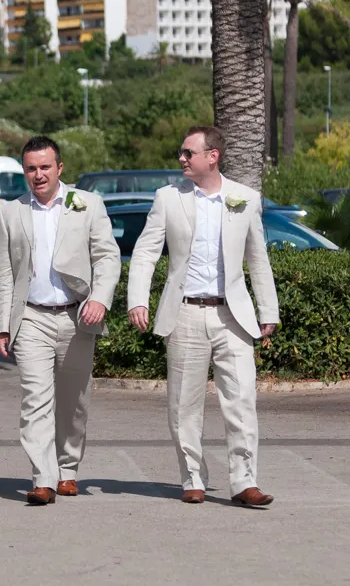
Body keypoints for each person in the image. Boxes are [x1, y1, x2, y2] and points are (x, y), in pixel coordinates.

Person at [127, 126, 279, 506]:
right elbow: (145, 252)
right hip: (185, 313)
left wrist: (268, 309)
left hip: (234, 317)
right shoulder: (167, 198)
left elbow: (257, 259)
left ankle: (245, 482)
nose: (181, 158)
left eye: (188, 153)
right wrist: (137, 299)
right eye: (181, 153)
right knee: (183, 404)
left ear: (212, 156)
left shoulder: (245, 198)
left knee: (242, 400)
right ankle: (192, 478)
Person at [0, 136, 120, 505]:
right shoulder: (11, 212)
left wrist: (99, 298)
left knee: (74, 402)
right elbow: (5, 272)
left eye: (45, 167)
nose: (38, 174)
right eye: (31, 168)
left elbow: (108, 259)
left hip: (77, 317)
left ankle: (67, 470)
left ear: (59, 168)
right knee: (35, 399)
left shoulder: (88, 204)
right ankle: (42, 478)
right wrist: (3, 323)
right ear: (24, 171)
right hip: (31, 318)